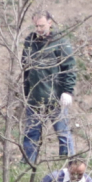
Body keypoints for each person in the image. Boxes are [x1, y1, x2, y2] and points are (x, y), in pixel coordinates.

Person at [21, 11, 77, 163]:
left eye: (42, 26)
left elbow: (69, 67)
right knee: (31, 135)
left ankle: (68, 165)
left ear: (50, 23)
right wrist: (26, 93)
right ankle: (28, 165)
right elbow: (25, 69)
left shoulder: (60, 42)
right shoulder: (30, 42)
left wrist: (67, 91)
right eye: (36, 26)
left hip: (55, 98)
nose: (39, 29)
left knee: (63, 133)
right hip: (34, 97)